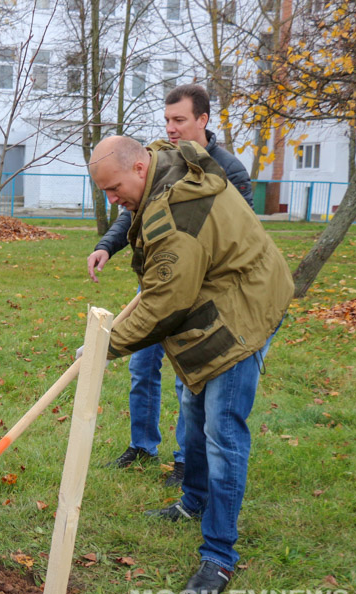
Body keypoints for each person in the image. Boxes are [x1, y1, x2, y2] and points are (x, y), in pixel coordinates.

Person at [84, 135, 292, 594]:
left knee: (222, 432)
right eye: (104, 192)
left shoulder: (178, 213)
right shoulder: (160, 168)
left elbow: (165, 303)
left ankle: (218, 555)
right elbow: (168, 279)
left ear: (139, 168)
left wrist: (106, 345)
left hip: (243, 311)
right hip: (218, 292)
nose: (112, 200)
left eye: (114, 188)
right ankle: (194, 500)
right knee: (194, 411)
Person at [87, 85, 254, 487]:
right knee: (142, 366)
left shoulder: (228, 170)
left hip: (198, 294)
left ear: (203, 120)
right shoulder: (160, 159)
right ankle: (142, 445)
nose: (171, 128)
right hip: (163, 282)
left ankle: (185, 461)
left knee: (188, 379)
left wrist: (180, 274)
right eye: (167, 120)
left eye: (179, 120)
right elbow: (134, 207)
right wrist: (107, 246)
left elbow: (234, 236)